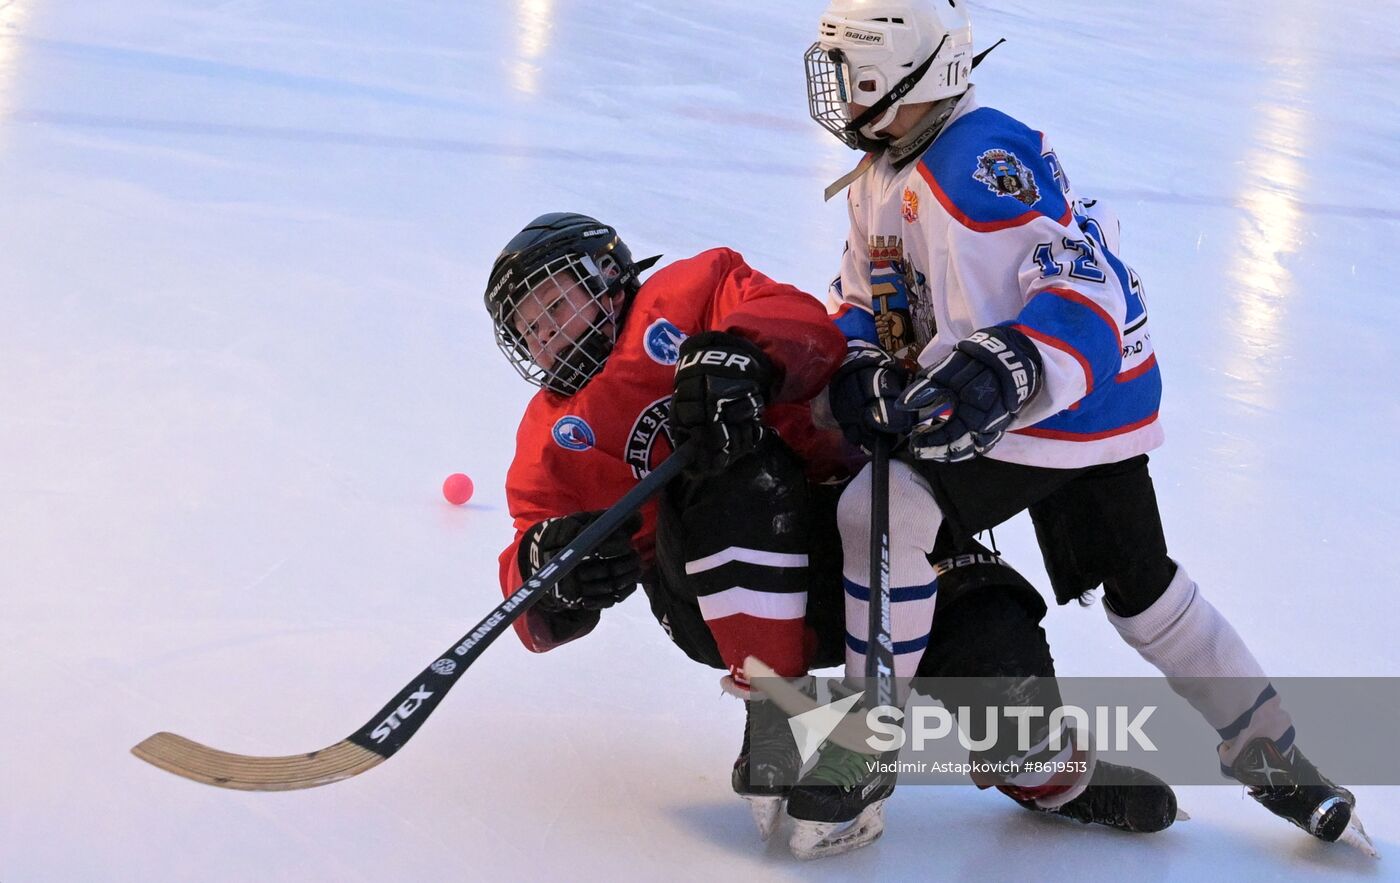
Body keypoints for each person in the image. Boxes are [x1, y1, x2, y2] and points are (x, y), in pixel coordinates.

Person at [802, 0, 1364, 854]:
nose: (836, 88)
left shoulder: (977, 159)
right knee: (1126, 586)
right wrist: (858, 366)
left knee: (1137, 592)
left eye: (849, 69)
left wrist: (1009, 366)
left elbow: (1087, 285)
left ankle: (1276, 753)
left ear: (897, 68)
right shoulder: (886, 168)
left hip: (1073, 408)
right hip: (1003, 410)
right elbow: (862, 297)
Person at [484, 212, 1179, 860]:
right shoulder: (551, 438)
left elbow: (807, 328)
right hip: (718, 583)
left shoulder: (691, 288)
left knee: (990, 634)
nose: (548, 332)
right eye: (531, 328)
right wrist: (554, 575)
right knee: (731, 463)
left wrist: (741, 353)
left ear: (608, 276)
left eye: (555, 303)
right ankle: (778, 714)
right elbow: (531, 566)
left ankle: (1043, 769)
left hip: (852, 529)